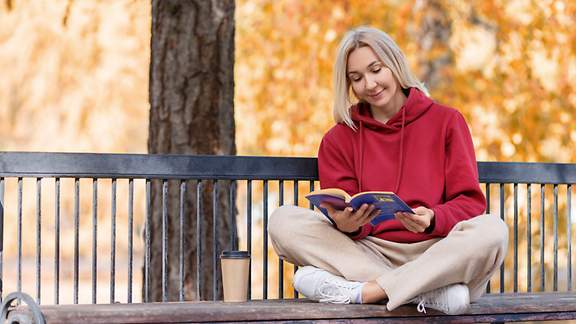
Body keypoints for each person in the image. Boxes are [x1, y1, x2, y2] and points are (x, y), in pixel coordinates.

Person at [268, 26, 508, 315]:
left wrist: (433, 218)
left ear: (394, 64)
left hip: (437, 252)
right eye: (356, 78)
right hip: (368, 252)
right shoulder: (339, 138)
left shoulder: (447, 121)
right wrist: (347, 224)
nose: (369, 84)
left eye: (376, 69)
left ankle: (368, 292)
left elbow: (470, 203)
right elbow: (341, 206)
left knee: (493, 230)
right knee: (283, 221)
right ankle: (427, 293)